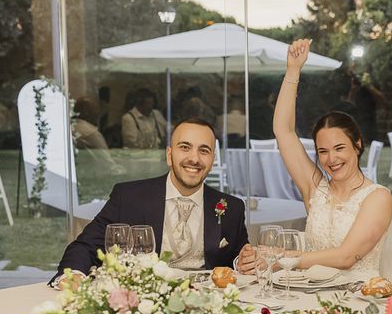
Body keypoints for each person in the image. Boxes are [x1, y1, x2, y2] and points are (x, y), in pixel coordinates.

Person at [51, 118, 254, 286]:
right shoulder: (129, 197)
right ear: (169, 155)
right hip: (146, 305)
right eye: (185, 147)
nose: (194, 159)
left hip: (209, 307)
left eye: (204, 150)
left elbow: (239, 258)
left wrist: (244, 261)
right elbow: (86, 246)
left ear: (212, 159)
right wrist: (74, 275)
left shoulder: (231, 207)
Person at [269, 38, 392, 280]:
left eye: (339, 148)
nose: (331, 158)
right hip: (310, 295)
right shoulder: (315, 189)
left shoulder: (378, 197)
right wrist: (293, 70)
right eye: (323, 151)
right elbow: (283, 131)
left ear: (357, 144)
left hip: (360, 301)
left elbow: (346, 257)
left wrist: (286, 258)